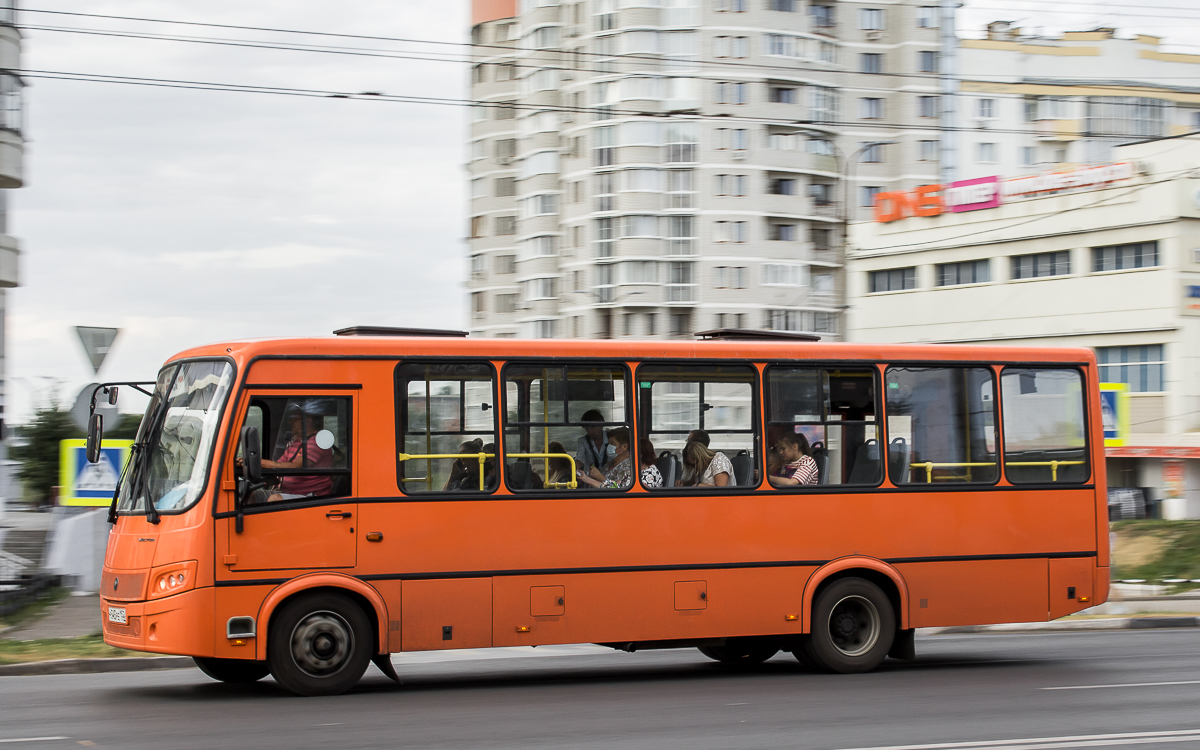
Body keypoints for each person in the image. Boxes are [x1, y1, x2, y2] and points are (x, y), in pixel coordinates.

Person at [254, 401, 335, 502]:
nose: (290, 422)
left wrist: (259, 462)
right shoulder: (296, 442)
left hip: (311, 497)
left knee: (275, 500)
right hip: (289, 493)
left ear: (308, 421)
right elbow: (279, 465)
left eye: (295, 419)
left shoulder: (317, 442)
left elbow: (296, 466)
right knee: (252, 495)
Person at [574, 409, 609, 476]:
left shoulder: (611, 437)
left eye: (593, 427)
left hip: (609, 478)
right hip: (590, 479)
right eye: (587, 428)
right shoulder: (583, 441)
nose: (590, 431)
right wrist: (575, 466)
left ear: (601, 425)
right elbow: (579, 458)